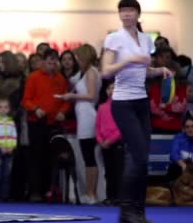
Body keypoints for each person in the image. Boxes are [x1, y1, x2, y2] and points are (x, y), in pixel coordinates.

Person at [101, 0, 173, 223]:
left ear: (138, 14)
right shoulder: (114, 38)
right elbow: (105, 72)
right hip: (122, 102)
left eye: (130, 10)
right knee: (139, 156)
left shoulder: (145, 39)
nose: (126, 14)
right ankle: (126, 211)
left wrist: (159, 70)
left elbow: (143, 71)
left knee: (141, 159)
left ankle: (137, 212)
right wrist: (129, 60)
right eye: (122, 11)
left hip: (141, 102)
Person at [22, 48, 71, 201]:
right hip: (36, 123)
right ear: (43, 61)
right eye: (49, 61)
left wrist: (63, 111)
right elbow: (26, 100)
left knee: (51, 159)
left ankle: (48, 191)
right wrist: (35, 109)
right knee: (36, 158)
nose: (52, 64)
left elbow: (66, 100)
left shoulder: (61, 79)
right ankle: (35, 191)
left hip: (54, 124)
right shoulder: (33, 77)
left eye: (54, 61)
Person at [55, 44, 102, 204]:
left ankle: (91, 193)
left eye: (78, 57)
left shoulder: (91, 72)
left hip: (88, 115)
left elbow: (91, 95)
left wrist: (71, 96)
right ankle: (90, 192)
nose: (77, 60)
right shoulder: (86, 73)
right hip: (83, 115)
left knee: (89, 156)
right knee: (87, 156)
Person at [96, 81, 124, 205]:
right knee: (108, 171)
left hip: (117, 142)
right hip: (104, 144)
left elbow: (121, 127)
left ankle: (119, 196)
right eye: (109, 88)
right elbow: (97, 126)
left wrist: (110, 140)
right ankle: (110, 196)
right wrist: (101, 141)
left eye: (114, 88)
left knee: (118, 171)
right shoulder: (102, 107)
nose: (111, 90)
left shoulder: (122, 107)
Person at [0, 98, 17, 201]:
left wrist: (12, 147)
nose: (3, 109)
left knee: (7, 174)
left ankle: (5, 196)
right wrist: (1, 146)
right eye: (0, 107)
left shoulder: (11, 121)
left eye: (5, 107)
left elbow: (14, 135)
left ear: (9, 109)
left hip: (9, 151)